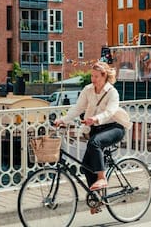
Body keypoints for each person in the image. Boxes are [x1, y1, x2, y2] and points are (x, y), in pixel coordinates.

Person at [54, 61, 130, 213]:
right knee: (86, 167)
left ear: (104, 76)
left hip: (114, 127)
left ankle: (102, 178)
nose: (93, 79)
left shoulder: (112, 92)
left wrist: (96, 118)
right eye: (91, 76)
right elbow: (78, 108)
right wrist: (63, 120)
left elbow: (110, 111)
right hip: (96, 128)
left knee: (94, 143)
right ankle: (97, 200)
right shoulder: (88, 90)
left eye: (96, 76)